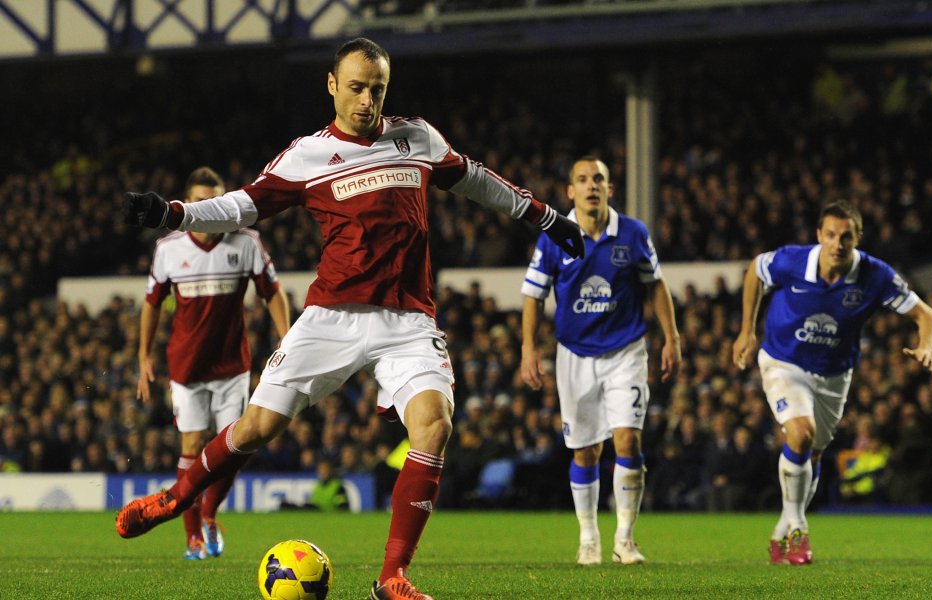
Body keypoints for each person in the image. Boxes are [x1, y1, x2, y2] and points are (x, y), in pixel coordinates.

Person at [116, 37, 583, 600]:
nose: (368, 101)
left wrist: (547, 216)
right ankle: (176, 499)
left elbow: (479, 180)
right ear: (333, 86)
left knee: (434, 423)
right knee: (258, 428)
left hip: (407, 320)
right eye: (357, 88)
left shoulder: (417, 139)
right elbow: (243, 203)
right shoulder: (307, 155)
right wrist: (175, 212)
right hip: (330, 316)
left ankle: (392, 578)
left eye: (378, 89)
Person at [732, 199, 932, 566]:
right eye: (830, 235)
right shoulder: (792, 261)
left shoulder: (875, 275)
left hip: (833, 375)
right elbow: (755, 271)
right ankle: (798, 531)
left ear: (857, 238)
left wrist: (926, 346)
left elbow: (927, 316)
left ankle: (783, 529)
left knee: (811, 455)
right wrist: (747, 330)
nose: (837, 244)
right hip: (783, 361)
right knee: (800, 432)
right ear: (819, 236)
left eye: (846, 236)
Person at [520, 156, 681, 566]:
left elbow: (656, 284)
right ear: (570, 191)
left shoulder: (632, 233)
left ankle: (625, 539)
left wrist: (672, 337)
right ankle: (589, 536)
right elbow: (533, 296)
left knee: (628, 439)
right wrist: (527, 348)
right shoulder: (555, 235)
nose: (592, 185)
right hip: (574, 354)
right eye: (583, 180)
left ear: (610, 188)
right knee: (585, 451)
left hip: (626, 350)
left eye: (600, 179)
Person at [137, 166, 291, 560]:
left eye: (216, 199)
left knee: (235, 446)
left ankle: (208, 512)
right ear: (188, 204)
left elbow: (273, 293)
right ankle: (192, 537)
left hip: (232, 364)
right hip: (186, 367)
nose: (211, 207)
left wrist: (287, 339)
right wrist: (143, 356)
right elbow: (152, 304)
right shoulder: (169, 248)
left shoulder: (246, 243)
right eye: (202, 200)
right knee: (191, 445)